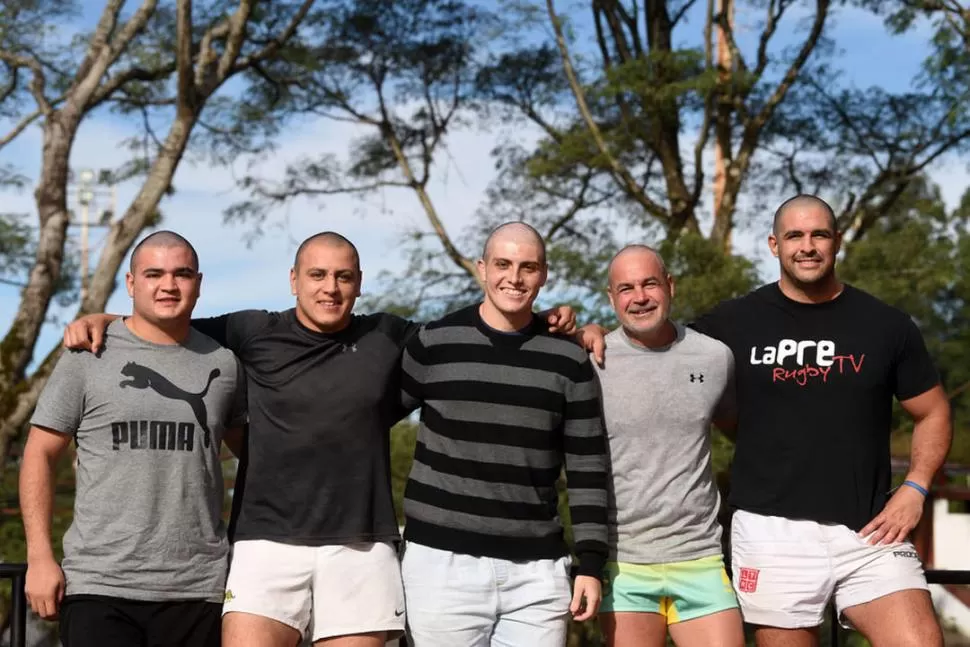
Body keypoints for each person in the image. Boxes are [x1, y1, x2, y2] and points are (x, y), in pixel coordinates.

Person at [63, 230, 579, 647]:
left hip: (361, 545)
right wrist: (104, 319)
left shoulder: (390, 335)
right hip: (264, 541)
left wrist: (570, 329)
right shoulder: (250, 331)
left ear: (358, 284)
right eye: (317, 275)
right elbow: (164, 323)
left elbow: (481, 331)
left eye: (343, 277)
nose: (330, 287)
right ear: (293, 280)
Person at [689, 195, 952, 647]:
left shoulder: (886, 326)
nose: (807, 246)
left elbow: (933, 411)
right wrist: (587, 333)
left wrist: (916, 486)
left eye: (819, 235)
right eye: (795, 235)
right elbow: (655, 347)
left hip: (869, 530)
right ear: (774, 244)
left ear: (837, 242)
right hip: (770, 533)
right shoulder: (731, 323)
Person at [20, 231, 247, 647]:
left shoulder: (224, 363)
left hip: (198, 588)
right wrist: (39, 557)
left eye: (182, 273)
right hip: (100, 585)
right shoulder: (88, 354)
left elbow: (254, 456)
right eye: (154, 273)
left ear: (198, 282)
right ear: (131, 284)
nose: (168, 284)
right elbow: (39, 453)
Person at [398, 222, 609, 647]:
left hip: (537, 574)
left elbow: (588, 467)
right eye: (503, 264)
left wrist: (590, 563)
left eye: (528, 267)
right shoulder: (433, 343)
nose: (514, 278)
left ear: (544, 274)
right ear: (482, 268)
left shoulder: (569, 358)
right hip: (441, 566)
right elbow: (366, 422)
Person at [593, 245, 744, 647]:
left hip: (700, 556)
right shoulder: (590, 361)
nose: (639, 297)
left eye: (649, 284)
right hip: (623, 562)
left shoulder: (714, 357)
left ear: (670, 286)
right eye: (626, 288)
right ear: (611, 298)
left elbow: (740, 432)